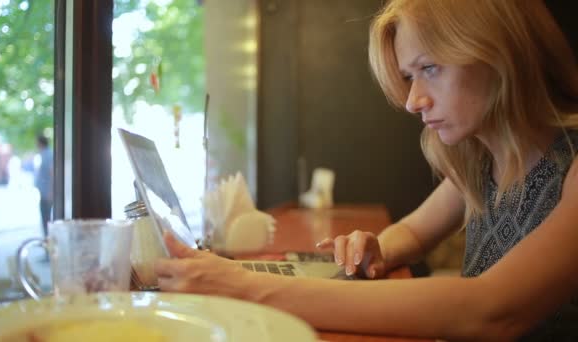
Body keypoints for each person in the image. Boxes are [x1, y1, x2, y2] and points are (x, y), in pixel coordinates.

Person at [153, 0, 578, 340]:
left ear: (502, 50)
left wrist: (245, 287)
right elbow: (412, 232)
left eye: (430, 68)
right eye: (409, 77)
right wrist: (378, 247)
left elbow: (492, 311)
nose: (413, 101)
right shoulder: (478, 163)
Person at [35, 135, 53, 238]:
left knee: (46, 220)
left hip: (47, 194)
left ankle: (48, 244)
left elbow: (52, 172)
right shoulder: (45, 154)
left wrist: (51, 192)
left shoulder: (47, 155)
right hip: (45, 192)